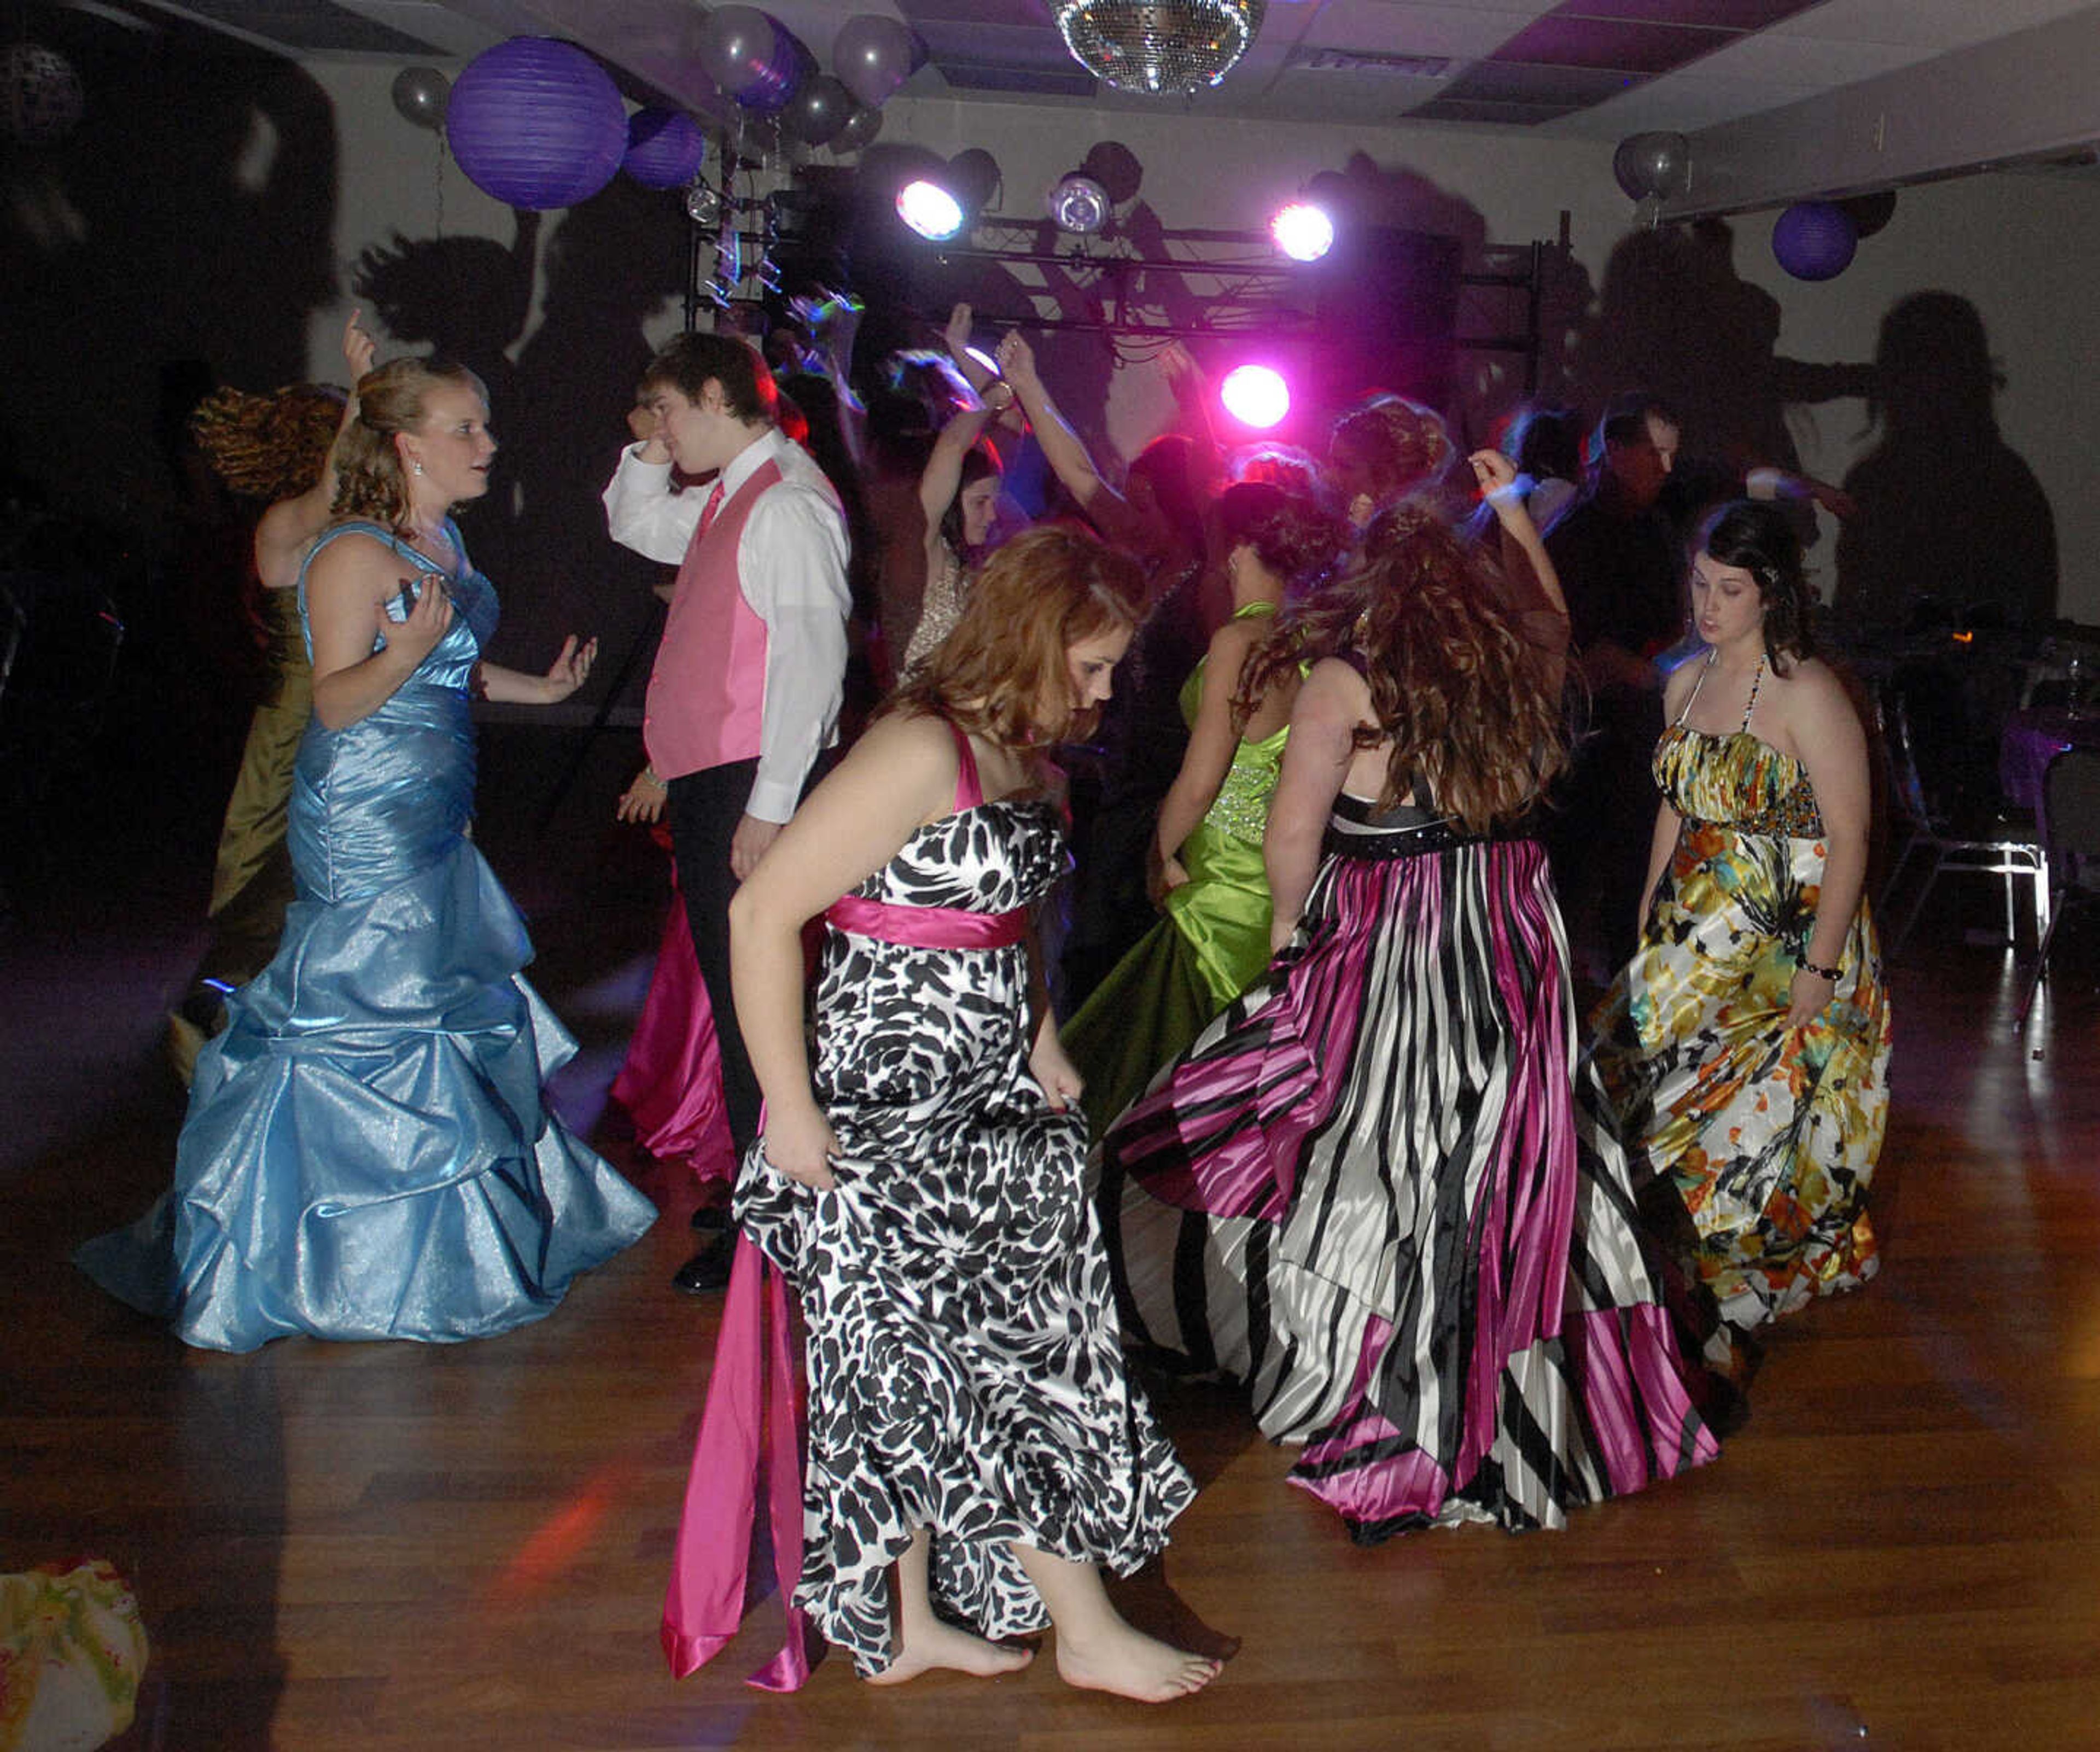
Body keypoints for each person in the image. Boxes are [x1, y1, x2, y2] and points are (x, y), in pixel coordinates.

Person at [1100, 454, 1723, 1543]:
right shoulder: (1521, 657)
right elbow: (1554, 614)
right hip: (1510, 928)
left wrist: (1295, 937)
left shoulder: (1350, 678)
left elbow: (1295, 835)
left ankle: (1387, 1390)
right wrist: (1518, 519)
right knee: (1512, 1161)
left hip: (1397, 931)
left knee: (1382, 1155)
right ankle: (1520, 1402)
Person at [667, 524, 1217, 1702]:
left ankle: (906, 1622)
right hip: (886, 1108)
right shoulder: (921, 749)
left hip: (987, 1102)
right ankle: (1084, 1628)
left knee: (913, 1367)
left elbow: (1004, 923)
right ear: (1033, 640)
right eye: (1095, 664)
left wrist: (1043, 1040)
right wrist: (790, 1110)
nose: (1109, 689)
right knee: (982, 1361)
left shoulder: (1018, 751)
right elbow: (761, 914)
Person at [77, 358, 655, 1351]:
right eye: (466, 427)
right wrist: (397, 654)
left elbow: (451, 669)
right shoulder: (350, 553)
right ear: (407, 445)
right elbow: (337, 700)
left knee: (432, 999)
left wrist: (543, 693)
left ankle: (424, 1239)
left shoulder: (442, 535)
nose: (488, 443)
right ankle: (327, 1249)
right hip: (364, 811)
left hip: (433, 800)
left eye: (483, 425)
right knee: (365, 1005)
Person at [1590, 501, 1891, 1335]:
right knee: (1639, 1079)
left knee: (1768, 1113)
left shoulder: (1808, 692)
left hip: (1786, 932)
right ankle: (1670, 1258)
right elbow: (1675, 806)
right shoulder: (1685, 681)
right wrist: (1652, 900)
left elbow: (1850, 834)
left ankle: (1746, 1270)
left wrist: (1821, 967)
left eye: (1729, 589)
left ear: (1770, 594)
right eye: (1699, 585)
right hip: (1695, 927)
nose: (1708, 605)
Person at [604, 332, 851, 1295]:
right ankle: (764, 1187)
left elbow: (810, 662)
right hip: (723, 779)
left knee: (760, 1008)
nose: (660, 432)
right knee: (744, 992)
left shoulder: (785, 499)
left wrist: (773, 803)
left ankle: (774, 1217)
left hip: (747, 780)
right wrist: (646, 454)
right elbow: (637, 528)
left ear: (714, 394)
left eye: (667, 412)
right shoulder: (732, 490)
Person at [1061, 481, 1345, 1137]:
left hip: (1215, 883)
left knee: (1135, 1067)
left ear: (1238, 548)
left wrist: (1158, 855)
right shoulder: (1309, 639)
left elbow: (1199, 780)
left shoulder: (1237, 642)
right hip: (1276, 875)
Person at [167, 311, 377, 1081]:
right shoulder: (288, 521)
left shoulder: (331, 523)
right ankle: (206, 1034)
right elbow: (334, 487)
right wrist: (363, 389)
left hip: (329, 716)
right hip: (293, 726)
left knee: (313, 886)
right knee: (270, 887)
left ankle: (292, 1043)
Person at [1543, 391, 1688, 982]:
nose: (1667, 469)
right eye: (1657, 454)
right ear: (1619, 451)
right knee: (1580, 866)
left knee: (1633, 869)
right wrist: (1652, 673)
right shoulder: (1578, 535)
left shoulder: (1655, 528)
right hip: (1592, 734)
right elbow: (1582, 647)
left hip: (1640, 729)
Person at [901, 379, 1004, 675]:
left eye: (994, 501)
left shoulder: (964, 560)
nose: (993, 515)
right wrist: (999, 393)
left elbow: (1013, 431)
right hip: (918, 715)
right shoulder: (923, 547)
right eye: (980, 502)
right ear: (950, 501)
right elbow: (952, 445)